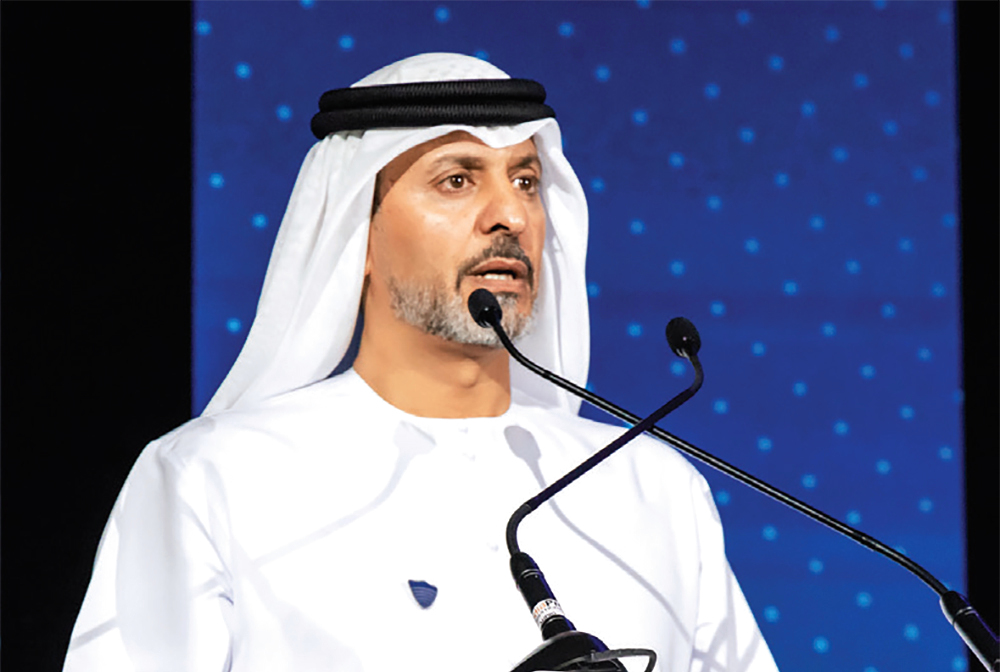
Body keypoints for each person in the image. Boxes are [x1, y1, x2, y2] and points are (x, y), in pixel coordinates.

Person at [64, 53, 778, 672]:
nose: (510, 216)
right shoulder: (214, 478)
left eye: (526, 181)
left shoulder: (652, 486)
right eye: (458, 180)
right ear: (357, 235)